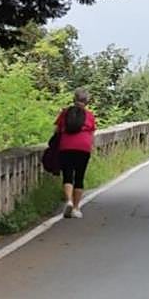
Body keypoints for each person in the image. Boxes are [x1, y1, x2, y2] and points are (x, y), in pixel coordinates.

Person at [54, 88, 96, 218]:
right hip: (83, 148)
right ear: (87, 102)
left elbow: (56, 131)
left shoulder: (65, 113)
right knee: (79, 177)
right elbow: (92, 133)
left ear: (74, 99)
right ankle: (77, 209)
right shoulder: (89, 115)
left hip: (66, 147)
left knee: (67, 175)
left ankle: (69, 201)